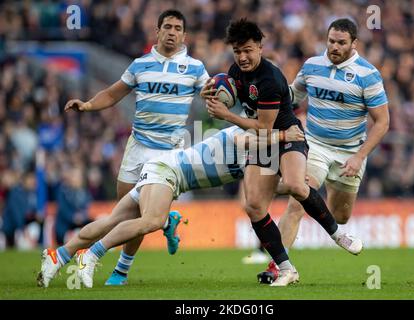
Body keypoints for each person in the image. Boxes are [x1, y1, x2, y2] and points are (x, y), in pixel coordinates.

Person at [36, 124, 303, 288]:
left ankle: (58, 256)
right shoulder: (246, 133)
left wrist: (292, 183)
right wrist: (283, 136)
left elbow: (259, 191)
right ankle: (91, 255)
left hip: (166, 171)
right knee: (151, 220)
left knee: (112, 221)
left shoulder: (259, 158)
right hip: (168, 170)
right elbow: (244, 141)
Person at [202, 18, 363, 286]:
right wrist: (210, 95)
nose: (242, 57)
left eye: (248, 50)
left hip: (288, 136)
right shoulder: (235, 71)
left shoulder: (270, 78)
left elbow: (264, 126)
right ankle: (286, 268)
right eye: (238, 51)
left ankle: (337, 235)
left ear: (260, 47)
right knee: (253, 205)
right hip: (264, 142)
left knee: (294, 185)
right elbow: (227, 94)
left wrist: (227, 115)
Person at [61, 9, 209, 285]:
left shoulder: (195, 68)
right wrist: (89, 104)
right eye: (167, 26)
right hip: (138, 146)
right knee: (125, 214)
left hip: (168, 153)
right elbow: (113, 93)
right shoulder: (140, 65)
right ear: (157, 31)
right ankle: (166, 221)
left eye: (178, 28)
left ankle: (121, 271)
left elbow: (212, 94)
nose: (172, 32)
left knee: (142, 215)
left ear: (184, 35)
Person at [259, 18, 390, 282]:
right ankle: (278, 267)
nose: (335, 47)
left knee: (340, 216)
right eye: (331, 41)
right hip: (315, 145)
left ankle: (322, 213)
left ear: (354, 44)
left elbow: (383, 121)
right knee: (297, 200)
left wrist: (359, 156)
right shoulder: (312, 66)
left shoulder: (368, 75)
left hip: (349, 153)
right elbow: (292, 97)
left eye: (341, 43)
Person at [55, 166, 93, 246]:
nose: (76, 179)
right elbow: (63, 209)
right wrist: (73, 217)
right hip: (66, 226)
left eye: (79, 176)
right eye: (74, 176)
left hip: (81, 224)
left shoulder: (85, 193)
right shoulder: (63, 192)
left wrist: (82, 216)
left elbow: (88, 209)